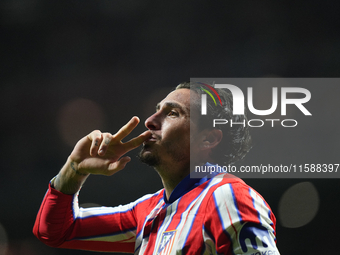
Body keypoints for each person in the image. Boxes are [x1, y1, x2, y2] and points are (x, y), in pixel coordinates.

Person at [33, 82, 281, 255]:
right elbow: (56, 231)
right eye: (156, 111)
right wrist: (74, 168)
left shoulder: (228, 198)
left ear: (208, 139)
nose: (150, 121)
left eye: (172, 113)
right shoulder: (148, 212)